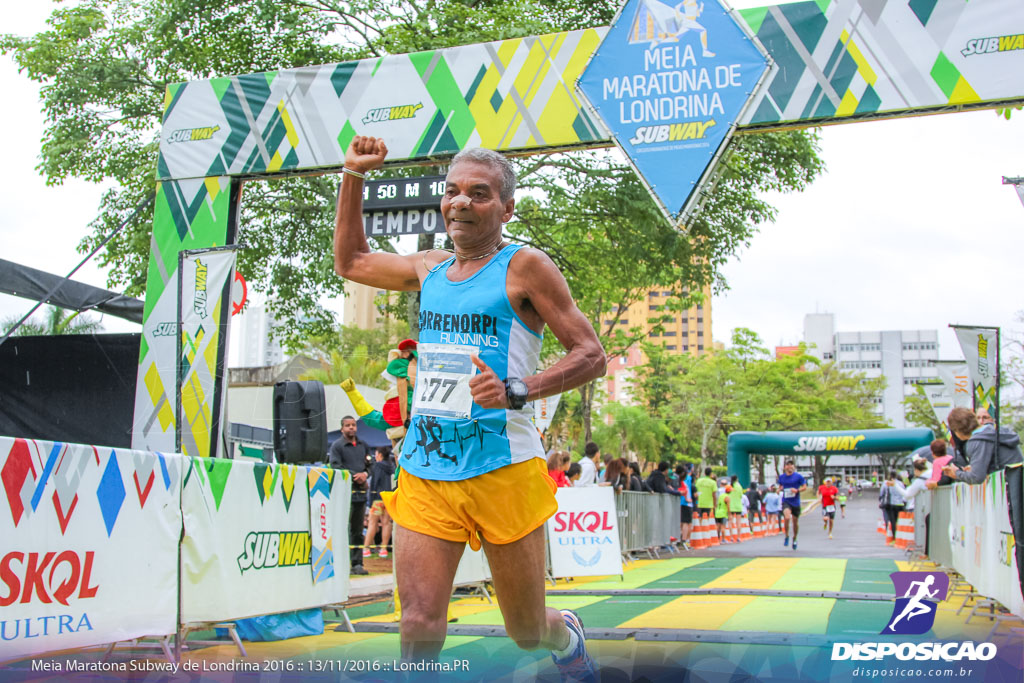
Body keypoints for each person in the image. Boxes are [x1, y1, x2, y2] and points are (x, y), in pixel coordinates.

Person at [333, 136, 606, 677]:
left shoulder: (525, 267)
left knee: (526, 631)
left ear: (506, 208)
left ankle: (563, 634)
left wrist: (518, 389)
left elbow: (592, 354)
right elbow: (352, 261)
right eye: (452, 191)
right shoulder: (429, 267)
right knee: (418, 620)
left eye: (478, 194)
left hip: (503, 465)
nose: (460, 202)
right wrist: (353, 175)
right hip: (428, 463)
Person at [942, 406, 1023, 597]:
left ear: (956, 431)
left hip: (1015, 495)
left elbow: (976, 478)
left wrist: (957, 473)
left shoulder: (976, 441)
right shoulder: (995, 432)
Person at [328, 415, 372, 575]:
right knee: (340, 528)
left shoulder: (363, 445)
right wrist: (356, 476)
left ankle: (357, 563)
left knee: (357, 531)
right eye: (348, 425)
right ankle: (337, 562)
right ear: (342, 428)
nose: (351, 428)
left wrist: (365, 474)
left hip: (360, 495)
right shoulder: (337, 446)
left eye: (353, 425)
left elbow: (370, 464)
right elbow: (335, 466)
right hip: (344, 494)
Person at [364, 447, 396, 559]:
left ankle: (366, 548)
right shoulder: (392, 466)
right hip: (389, 498)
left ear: (380, 455)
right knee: (386, 523)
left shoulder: (377, 466)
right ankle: (383, 549)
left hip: (378, 498)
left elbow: (374, 482)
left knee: (372, 523)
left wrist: (371, 499)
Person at [777, 460, 807, 550]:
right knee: (786, 517)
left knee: (795, 522)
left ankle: (794, 538)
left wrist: (797, 490)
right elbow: (781, 486)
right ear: (785, 467)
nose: (789, 466)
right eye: (787, 465)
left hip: (796, 502)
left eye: (791, 465)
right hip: (786, 501)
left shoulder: (798, 477)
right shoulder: (782, 477)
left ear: (793, 467)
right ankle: (786, 536)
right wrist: (779, 490)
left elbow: (804, 487)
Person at [879, 469, 905, 545]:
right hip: (900, 504)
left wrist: (881, 500)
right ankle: (900, 537)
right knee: (899, 521)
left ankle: (894, 537)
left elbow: (882, 493)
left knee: (892, 521)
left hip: (890, 504)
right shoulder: (900, 483)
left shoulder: (886, 483)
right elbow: (904, 493)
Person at [676, 464, 693, 550]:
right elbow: (686, 489)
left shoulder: (675, 479)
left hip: (678, 502)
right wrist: (687, 499)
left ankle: (680, 539)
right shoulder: (687, 478)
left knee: (681, 522)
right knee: (686, 522)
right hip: (686, 503)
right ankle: (684, 540)